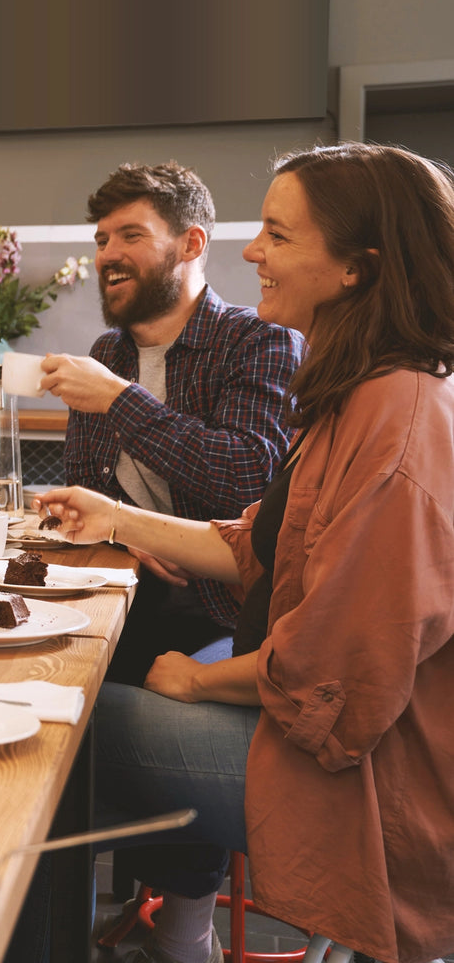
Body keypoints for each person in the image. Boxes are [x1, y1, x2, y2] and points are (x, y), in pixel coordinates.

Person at [41, 144, 454, 963]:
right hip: (325, 729)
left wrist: (198, 681)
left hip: (370, 782)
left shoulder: (396, 418)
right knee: (64, 712)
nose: (254, 251)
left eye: (278, 234)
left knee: (53, 723)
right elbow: (262, 544)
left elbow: (332, 673)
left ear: (357, 268)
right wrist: (116, 519)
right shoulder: (361, 393)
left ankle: (133, 934)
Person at [40, 162, 303, 685]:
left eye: (131, 235)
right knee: (33, 675)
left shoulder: (259, 340)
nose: (108, 254)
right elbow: (90, 490)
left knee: (93, 704)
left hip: (222, 614)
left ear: (191, 244)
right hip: (117, 590)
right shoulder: (108, 353)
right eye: (102, 240)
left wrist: (118, 399)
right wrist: (127, 533)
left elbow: (247, 480)